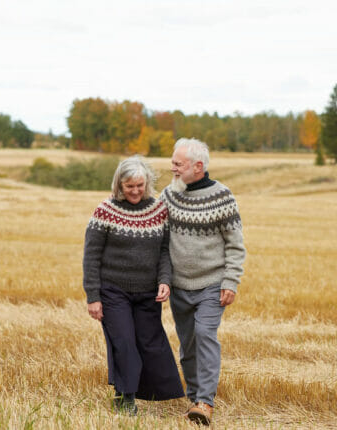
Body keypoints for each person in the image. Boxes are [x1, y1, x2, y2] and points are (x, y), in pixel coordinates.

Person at [83, 155, 184, 416]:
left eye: (140, 185)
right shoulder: (105, 211)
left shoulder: (158, 210)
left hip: (148, 293)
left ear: (147, 183)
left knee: (149, 344)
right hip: (113, 291)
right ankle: (127, 398)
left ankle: (137, 391)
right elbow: (91, 256)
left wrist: (164, 280)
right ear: (119, 184)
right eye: (129, 186)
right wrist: (93, 296)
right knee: (124, 342)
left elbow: (165, 251)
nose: (135, 191)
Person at [160, 138, 246, 426]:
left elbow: (235, 245)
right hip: (179, 286)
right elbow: (158, 240)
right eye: (172, 162)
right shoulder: (168, 196)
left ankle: (205, 402)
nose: (172, 168)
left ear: (198, 166)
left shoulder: (222, 197)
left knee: (205, 334)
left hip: (212, 284)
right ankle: (195, 398)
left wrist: (230, 281)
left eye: (178, 164)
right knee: (188, 346)